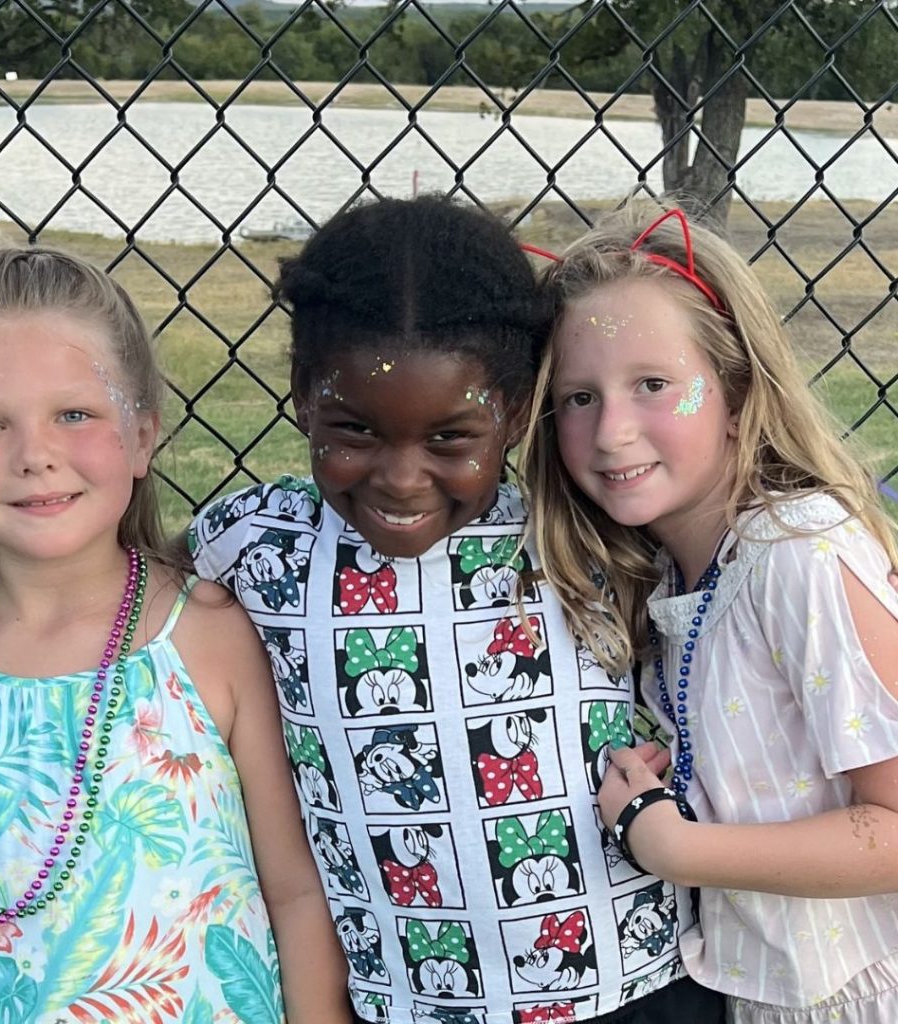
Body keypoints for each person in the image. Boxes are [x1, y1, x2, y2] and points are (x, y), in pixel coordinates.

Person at [185, 195, 726, 1023]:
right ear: (302, 396)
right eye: (354, 430)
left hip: (630, 991)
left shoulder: (583, 530)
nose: (402, 478)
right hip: (405, 1003)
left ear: (512, 411)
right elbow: (108, 584)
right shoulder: (254, 544)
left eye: (448, 439)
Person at [0, 249, 349, 1024]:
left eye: (74, 413)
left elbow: (294, 889)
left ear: (142, 434)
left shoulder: (206, 634)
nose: (35, 455)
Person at [521, 201, 898, 1023]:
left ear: (734, 388)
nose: (613, 431)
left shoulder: (798, 554)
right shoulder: (671, 573)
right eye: (580, 397)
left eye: (653, 385)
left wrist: (675, 845)